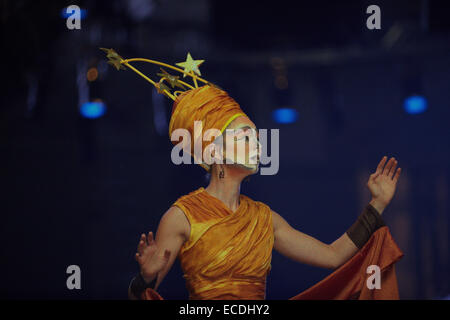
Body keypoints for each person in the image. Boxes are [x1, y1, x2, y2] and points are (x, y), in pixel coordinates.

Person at [127, 85, 403, 300]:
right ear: (214, 151)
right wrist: (146, 279)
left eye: (257, 138)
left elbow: (332, 255)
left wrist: (377, 204)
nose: (258, 145)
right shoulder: (181, 216)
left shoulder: (264, 219)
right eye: (245, 137)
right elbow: (140, 295)